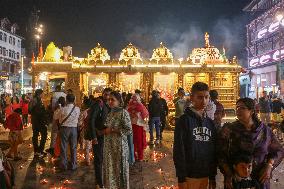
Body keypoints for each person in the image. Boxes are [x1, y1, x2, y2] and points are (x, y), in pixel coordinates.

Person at [218, 97, 284, 189]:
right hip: (236, 179)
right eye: (237, 108)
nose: (238, 110)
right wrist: (228, 174)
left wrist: (269, 166)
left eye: (242, 108)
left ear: (252, 111)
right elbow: (220, 154)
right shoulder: (229, 129)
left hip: (260, 178)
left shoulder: (264, 130)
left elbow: (278, 150)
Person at [173, 82, 217, 189]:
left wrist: (212, 176)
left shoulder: (210, 123)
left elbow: (213, 150)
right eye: (200, 97)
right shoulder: (183, 121)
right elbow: (179, 150)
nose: (204, 101)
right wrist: (181, 178)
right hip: (190, 175)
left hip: (206, 174)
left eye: (206, 97)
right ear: (192, 97)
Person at [102, 91, 132, 189]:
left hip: (119, 147)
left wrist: (112, 130)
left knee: (120, 170)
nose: (110, 102)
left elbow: (128, 130)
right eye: (109, 100)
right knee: (110, 169)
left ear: (119, 101)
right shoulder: (110, 113)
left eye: (112, 100)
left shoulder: (123, 113)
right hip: (109, 146)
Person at [89, 88, 111, 189]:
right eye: (105, 94)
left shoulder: (108, 105)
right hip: (98, 136)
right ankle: (99, 183)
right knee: (98, 159)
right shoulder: (99, 104)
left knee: (103, 159)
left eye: (109, 95)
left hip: (106, 136)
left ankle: (101, 180)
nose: (107, 96)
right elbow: (91, 120)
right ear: (102, 94)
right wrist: (94, 137)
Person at [58, 94, 80, 171]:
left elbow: (60, 120)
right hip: (74, 129)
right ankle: (73, 164)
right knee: (73, 147)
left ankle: (64, 165)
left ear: (66, 100)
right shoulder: (77, 109)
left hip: (64, 129)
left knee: (63, 146)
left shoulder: (62, 109)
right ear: (74, 100)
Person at [127, 93, 149, 161]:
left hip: (136, 126)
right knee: (136, 141)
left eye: (135, 99)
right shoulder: (140, 106)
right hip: (136, 126)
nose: (134, 101)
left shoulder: (132, 107)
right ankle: (138, 156)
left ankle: (136, 156)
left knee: (134, 141)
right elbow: (145, 116)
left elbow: (145, 116)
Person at [29, 89, 48, 157]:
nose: (43, 94)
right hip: (38, 121)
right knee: (43, 134)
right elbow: (30, 110)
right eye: (42, 93)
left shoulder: (38, 100)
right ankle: (39, 150)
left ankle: (37, 151)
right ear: (39, 94)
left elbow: (30, 110)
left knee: (36, 135)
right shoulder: (35, 100)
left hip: (36, 120)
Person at [78, 98, 92, 165]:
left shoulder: (84, 112)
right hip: (94, 130)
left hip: (86, 130)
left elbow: (79, 123)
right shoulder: (93, 111)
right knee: (92, 145)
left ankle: (87, 160)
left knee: (86, 145)